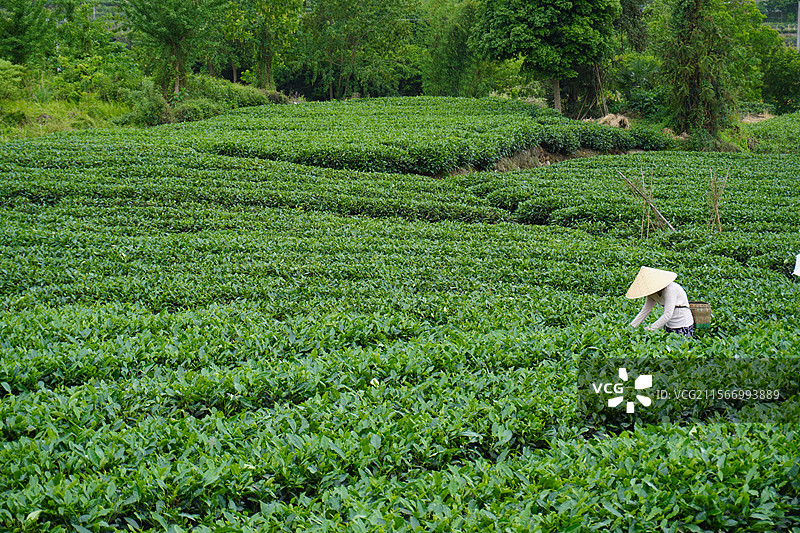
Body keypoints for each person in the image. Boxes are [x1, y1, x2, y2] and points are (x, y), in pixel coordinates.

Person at [627, 266, 695, 338]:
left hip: (683, 324)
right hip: (669, 325)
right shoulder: (651, 293)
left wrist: (649, 329)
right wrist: (631, 327)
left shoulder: (670, 289)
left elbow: (667, 315)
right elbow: (645, 311)